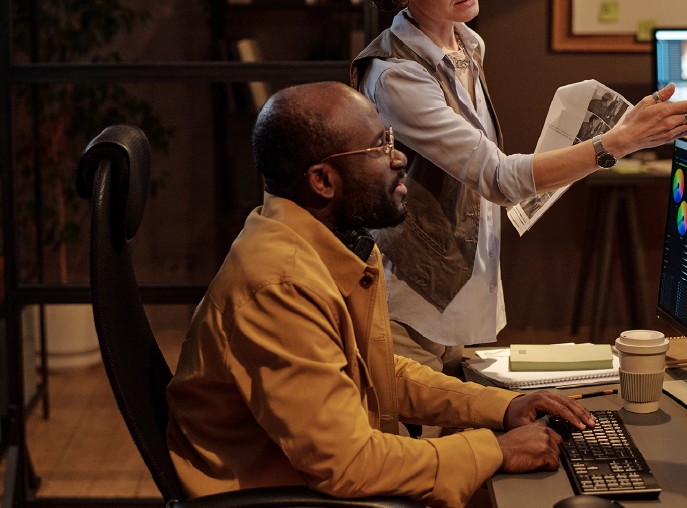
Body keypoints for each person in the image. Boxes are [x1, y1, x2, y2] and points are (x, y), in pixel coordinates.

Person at [344, 0, 687, 376]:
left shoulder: (465, 46)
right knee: (429, 448)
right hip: (411, 311)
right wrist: (620, 140)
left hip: (459, 300)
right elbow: (498, 178)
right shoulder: (397, 75)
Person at [165, 81, 596, 508]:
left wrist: (504, 406)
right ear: (322, 181)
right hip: (289, 497)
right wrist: (496, 450)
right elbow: (347, 464)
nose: (398, 157)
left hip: (311, 485)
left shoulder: (318, 244)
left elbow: (375, 371)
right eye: (377, 147)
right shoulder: (281, 286)